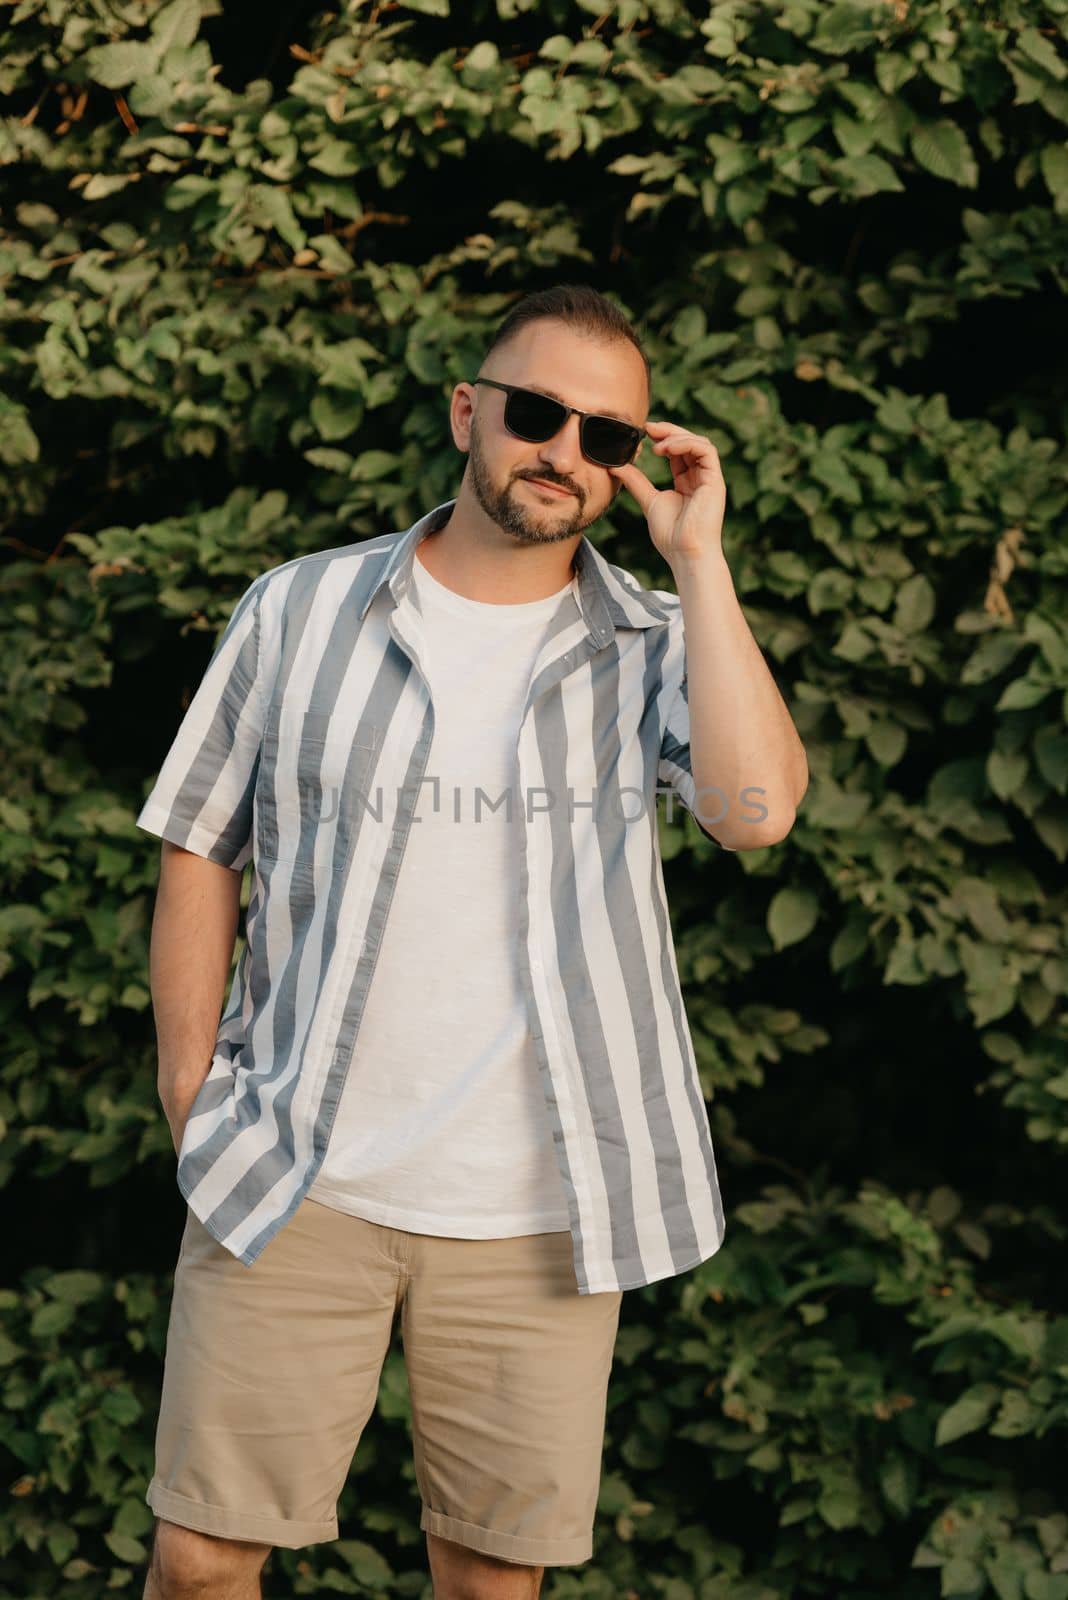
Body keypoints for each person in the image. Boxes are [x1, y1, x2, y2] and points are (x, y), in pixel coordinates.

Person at [137, 283, 808, 1600]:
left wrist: (702, 561)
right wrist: (187, 1092)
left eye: (607, 435)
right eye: (537, 411)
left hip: (543, 1212)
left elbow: (756, 813)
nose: (564, 450)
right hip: (294, 1170)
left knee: (490, 1584)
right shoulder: (298, 610)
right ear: (467, 410)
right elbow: (199, 844)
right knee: (203, 1559)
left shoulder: (655, 642)